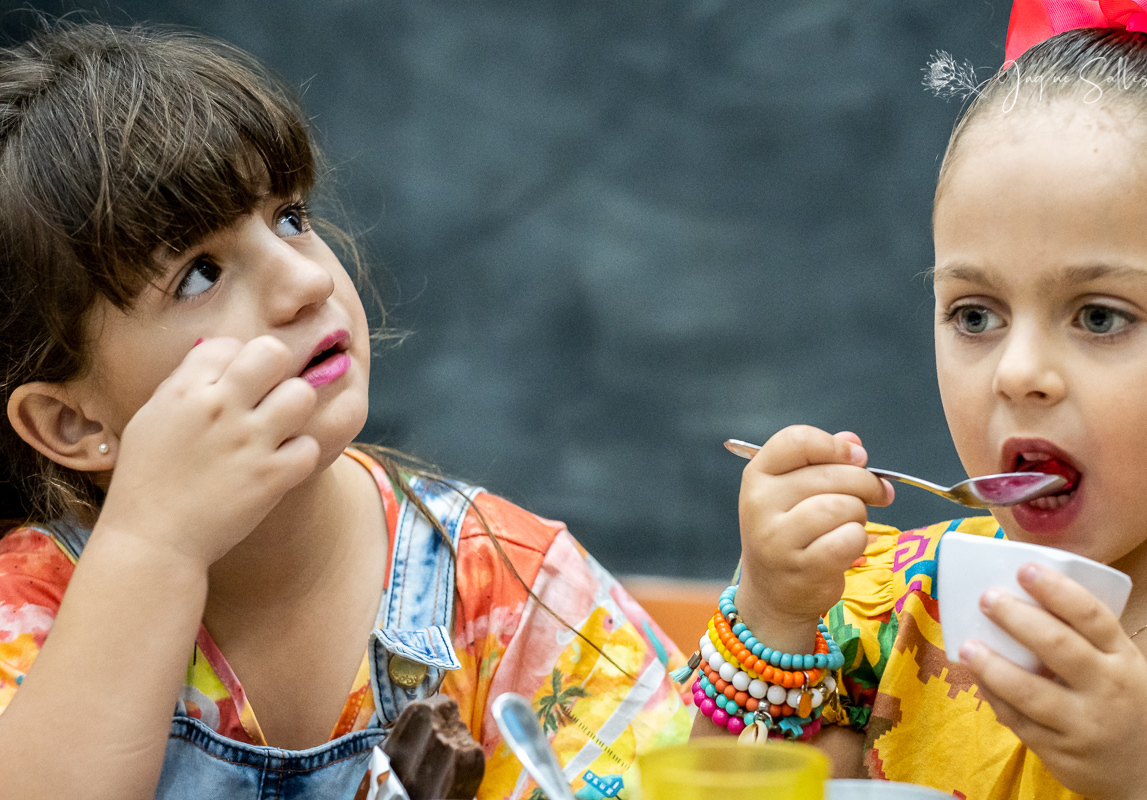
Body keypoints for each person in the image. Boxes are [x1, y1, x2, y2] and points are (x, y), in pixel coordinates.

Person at [0, 19, 692, 800]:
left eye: (290, 217)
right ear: (75, 423)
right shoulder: (28, 609)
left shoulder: (504, 584)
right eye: (199, 273)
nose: (306, 283)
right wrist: (153, 543)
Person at [690, 2, 1147, 798]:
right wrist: (771, 618)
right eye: (975, 315)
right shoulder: (881, 608)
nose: (1016, 372)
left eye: (1100, 316)